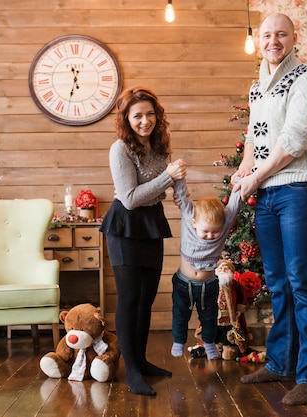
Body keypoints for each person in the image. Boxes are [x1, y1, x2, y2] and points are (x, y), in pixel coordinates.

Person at [232, 13, 307, 406]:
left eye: (281, 34)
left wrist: (254, 179)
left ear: (294, 38)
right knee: (278, 283)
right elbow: (255, 137)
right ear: (259, 40)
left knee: (302, 281)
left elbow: (294, 141)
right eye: (267, 35)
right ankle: (279, 363)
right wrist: (245, 168)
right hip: (268, 197)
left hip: (298, 191)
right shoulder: (258, 86)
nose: (273, 41)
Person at [99, 87, 186, 396]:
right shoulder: (120, 149)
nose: (145, 121)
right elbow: (131, 197)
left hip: (151, 222)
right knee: (130, 298)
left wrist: (176, 190)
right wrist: (168, 178)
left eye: (150, 114)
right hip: (124, 224)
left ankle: (142, 360)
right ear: (127, 119)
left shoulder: (160, 147)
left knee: (147, 298)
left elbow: (159, 190)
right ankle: (131, 370)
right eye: (137, 116)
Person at [170, 178, 241, 360]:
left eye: (215, 232)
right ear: (194, 223)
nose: (210, 236)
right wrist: (179, 177)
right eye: (205, 231)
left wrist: (240, 181)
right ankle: (179, 340)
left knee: (209, 316)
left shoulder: (223, 226)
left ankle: (209, 342)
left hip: (208, 284)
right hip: (183, 283)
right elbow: (182, 196)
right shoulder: (189, 218)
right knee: (180, 314)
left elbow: (234, 205)